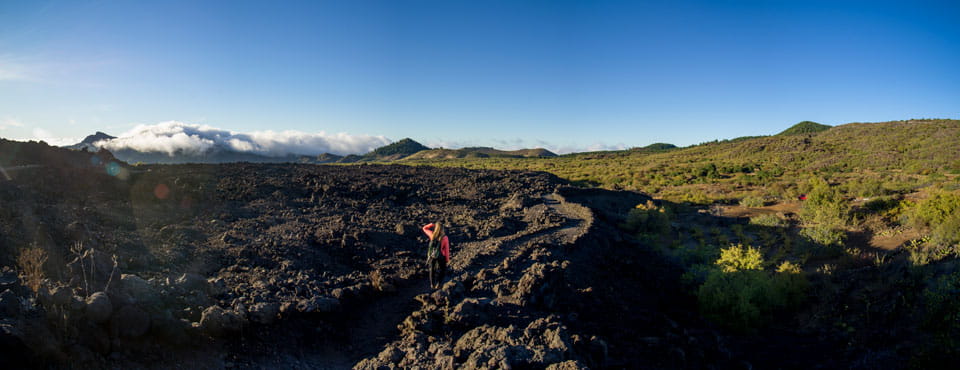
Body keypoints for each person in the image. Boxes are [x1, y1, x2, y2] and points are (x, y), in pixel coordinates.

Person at [422, 222, 450, 289]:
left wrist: (431, 224)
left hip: (432, 255)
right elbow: (446, 249)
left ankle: (432, 284)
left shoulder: (432, 234)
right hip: (441, 256)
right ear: (442, 229)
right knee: (443, 270)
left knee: (432, 270)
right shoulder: (445, 237)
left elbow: (424, 228)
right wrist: (447, 259)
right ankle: (438, 284)